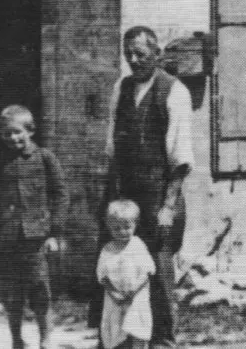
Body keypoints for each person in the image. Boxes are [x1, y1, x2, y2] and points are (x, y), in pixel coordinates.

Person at [102, 26, 193, 349]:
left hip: (158, 192)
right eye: (128, 53)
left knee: (158, 267)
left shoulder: (174, 91)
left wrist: (168, 206)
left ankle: (163, 341)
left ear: (157, 54)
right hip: (126, 192)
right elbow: (112, 145)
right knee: (122, 264)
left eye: (140, 53)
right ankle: (122, 338)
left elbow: (181, 158)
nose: (133, 59)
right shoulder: (122, 87)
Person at [0, 104, 67, 349]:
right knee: (11, 294)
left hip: (35, 238)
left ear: (30, 130)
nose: (12, 138)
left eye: (17, 132)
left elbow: (60, 194)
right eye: (6, 134)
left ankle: (45, 339)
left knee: (40, 290)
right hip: (6, 238)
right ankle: (16, 340)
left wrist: (54, 233)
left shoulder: (45, 158)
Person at [97, 199, 155, 349]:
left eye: (127, 227)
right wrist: (114, 294)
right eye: (116, 228)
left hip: (136, 297)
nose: (122, 232)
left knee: (137, 329)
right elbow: (103, 276)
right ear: (109, 227)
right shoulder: (108, 249)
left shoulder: (138, 245)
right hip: (115, 299)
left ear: (135, 225)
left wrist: (133, 292)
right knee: (116, 331)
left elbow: (147, 272)